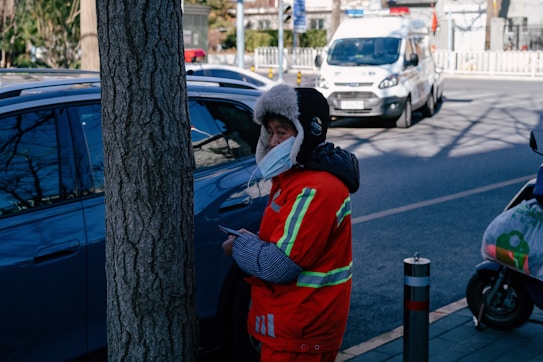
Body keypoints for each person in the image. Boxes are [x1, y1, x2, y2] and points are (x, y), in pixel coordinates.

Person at [222, 84, 360, 362]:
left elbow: (279, 265)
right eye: (270, 132)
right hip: (293, 326)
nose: (272, 142)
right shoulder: (294, 177)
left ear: (308, 133)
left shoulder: (315, 187)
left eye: (282, 133)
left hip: (301, 332)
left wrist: (240, 246)